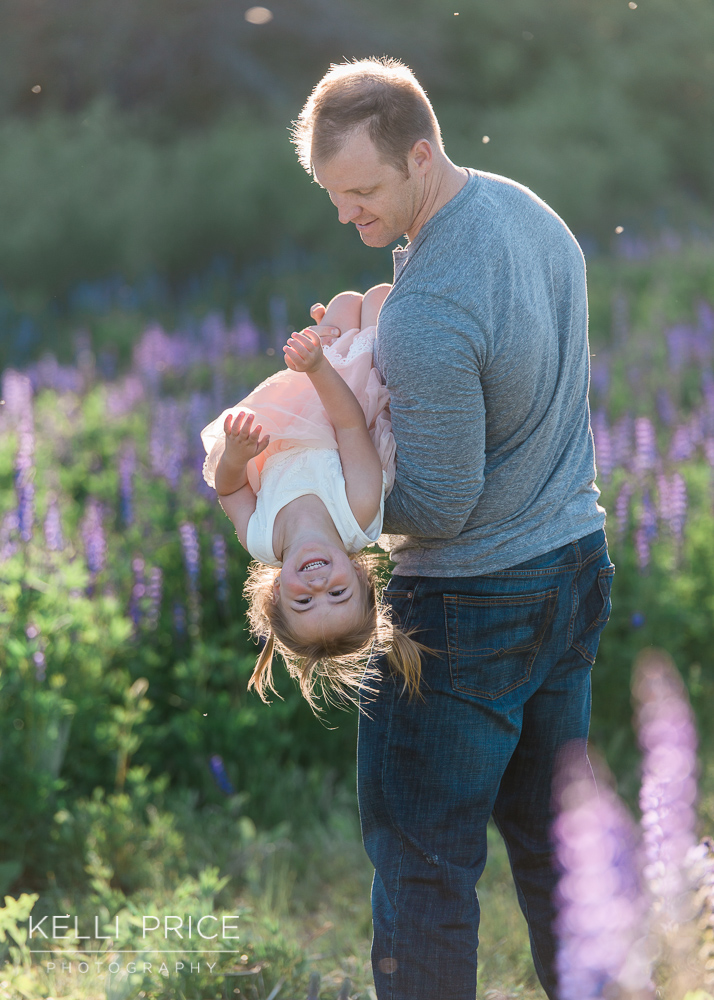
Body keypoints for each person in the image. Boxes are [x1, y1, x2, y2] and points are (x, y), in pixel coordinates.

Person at [292, 57, 615, 1000]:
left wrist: (312, 489)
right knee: (562, 860)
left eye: (362, 191)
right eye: (332, 195)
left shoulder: (428, 310)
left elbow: (438, 504)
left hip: (472, 604)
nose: (346, 215)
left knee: (424, 870)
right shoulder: (527, 212)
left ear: (420, 154)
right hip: (573, 568)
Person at [201, 283, 423, 710]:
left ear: (276, 595)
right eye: (338, 594)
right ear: (360, 578)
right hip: (352, 396)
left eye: (303, 601)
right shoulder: (356, 514)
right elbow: (351, 428)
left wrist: (236, 455)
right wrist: (320, 368)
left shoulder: (261, 539)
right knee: (379, 299)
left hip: (303, 399)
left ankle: (335, 332)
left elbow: (229, 487)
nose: (319, 585)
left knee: (342, 307)